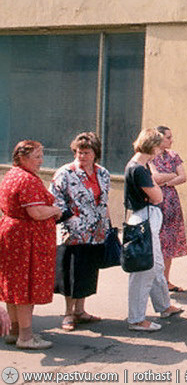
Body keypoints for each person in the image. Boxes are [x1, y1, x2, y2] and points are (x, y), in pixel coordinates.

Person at [0, 140, 62, 349]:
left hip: (13, 234)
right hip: (26, 239)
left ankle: (14, 331)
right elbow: (36, 213)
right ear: (23, 158)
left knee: (14, 283)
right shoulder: (27, 180)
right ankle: (26, 337)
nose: (41, 161)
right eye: (37, 157)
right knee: (26, 286)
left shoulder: (12, 174)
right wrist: (55, 210)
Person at [50, 132, 111, 332]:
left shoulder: (103, 173)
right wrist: (71, 219)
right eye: (78, 152)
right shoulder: (65, 173)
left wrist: (108, 225)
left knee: (87, 270)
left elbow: (103, 201)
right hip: (73, 231)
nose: (81, 156)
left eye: (86, 152)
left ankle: (81, 310)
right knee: (71, 272)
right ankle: (68, 313)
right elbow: (55, 200)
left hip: (96, 231)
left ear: (95, 154)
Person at [125, 128, 183, 332]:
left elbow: (157, 188)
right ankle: (136, 318)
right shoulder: (139, 169)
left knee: (156, 265)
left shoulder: (139, 166)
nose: (161, 150)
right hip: (146, 216)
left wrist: (158, 184)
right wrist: (159, 185)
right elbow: (157, 196)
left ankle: (164, 306)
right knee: (145, 268)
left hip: (148, 215)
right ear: (151, 146)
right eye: (159, 145)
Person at [149, 125, 187, 292]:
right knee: (157, 240)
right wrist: (171, 176)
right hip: (157, 201)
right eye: (168, 137)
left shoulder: (173, 156)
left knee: (170, 241)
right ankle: (155, 280)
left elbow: (183, 177)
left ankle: (166, 279)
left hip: (171, 202)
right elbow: (154, 177)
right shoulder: (150, 156)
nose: (171, 141)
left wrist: (165, 181)